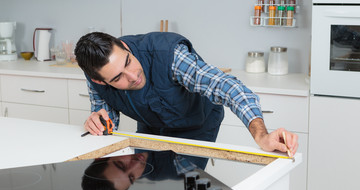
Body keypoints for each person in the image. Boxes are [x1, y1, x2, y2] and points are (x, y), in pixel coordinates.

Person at [74, 31, 298, 167]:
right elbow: (107, 117)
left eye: (128, 62)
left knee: (182, 187)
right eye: (118, 77)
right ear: (100, 81)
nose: (133, 76)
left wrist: (262, 136)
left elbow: (230, 88)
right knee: (145, 182)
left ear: (124, 47)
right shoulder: (95, 75)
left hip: (196, 124)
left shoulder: (170, 56)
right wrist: (98, 123)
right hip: (152, 124)